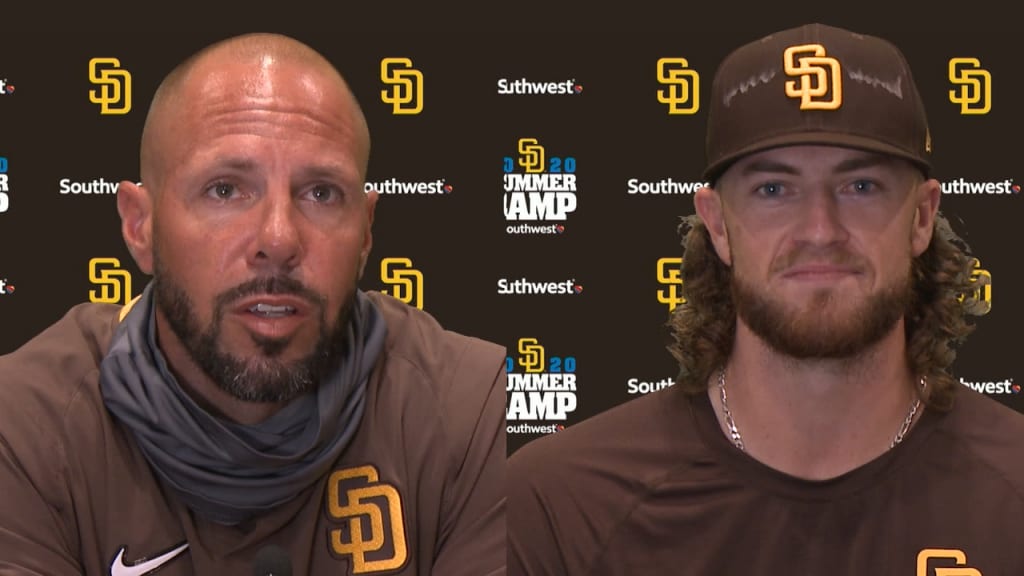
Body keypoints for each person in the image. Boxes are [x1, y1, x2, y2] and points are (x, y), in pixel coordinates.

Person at [507, 22, 1024, 575]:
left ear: (922, 217)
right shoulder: (561, 504)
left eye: (861, 187)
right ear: (718, 225)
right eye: (773, 190)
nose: (820, 229)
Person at [0, 33, 506, 575]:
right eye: (225, 190)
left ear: (365, 233)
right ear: (139, 225)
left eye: (321, 193)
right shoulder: (26, 424)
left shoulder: (469, 406)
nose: (280, 238)